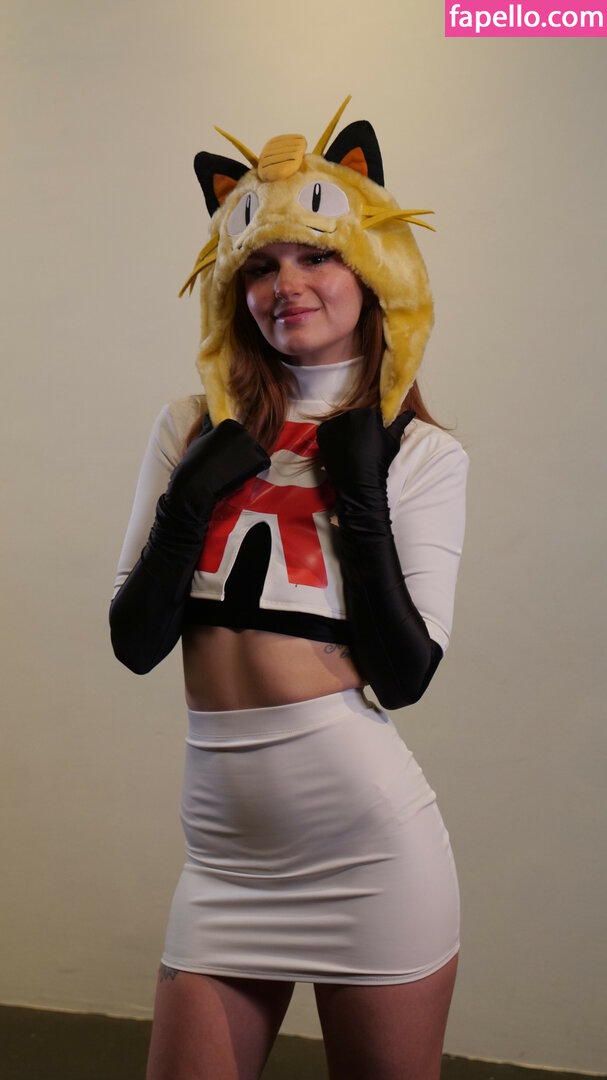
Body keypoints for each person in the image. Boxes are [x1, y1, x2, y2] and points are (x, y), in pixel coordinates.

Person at [110, 98, 468, 1080]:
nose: (287, 285)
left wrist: (362, 500)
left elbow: (403, 677)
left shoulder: (421, 454)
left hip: (370, 857)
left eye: (315, 255)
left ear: (373, 270)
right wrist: (189, 502)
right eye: (261, 265)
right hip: (223, 863)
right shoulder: (190, 427)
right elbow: (136, 642)